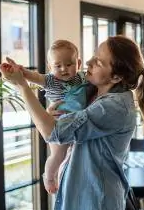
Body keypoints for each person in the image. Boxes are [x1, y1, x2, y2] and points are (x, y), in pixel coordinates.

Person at [0, 35, 144, 210]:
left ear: (116, 76)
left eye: (98, 62)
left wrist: (22, 86)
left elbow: (52, 133)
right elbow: (57, 130)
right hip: (79, 198)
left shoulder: (113, 107)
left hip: (96, 208)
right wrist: (51, 114)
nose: (89, 62)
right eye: (93, 56)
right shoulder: (90, 91)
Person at [7, 40, 86, 194]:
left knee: (72, 156)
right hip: (58, 123)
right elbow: (34, 77)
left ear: (78, 63)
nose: (64, 69)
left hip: (76, 124)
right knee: (58, 154)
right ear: (50, 67)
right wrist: (20, 70)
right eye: (58, 66)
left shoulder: (82, 78)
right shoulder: (51, 80)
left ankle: (61, 177)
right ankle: (49, 176)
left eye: (69, 64)